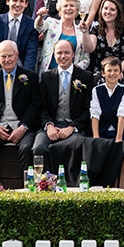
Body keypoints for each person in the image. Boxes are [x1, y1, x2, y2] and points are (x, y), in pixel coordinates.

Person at [0, 39, 42, 187]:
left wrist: (23, 127)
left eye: (10, 55)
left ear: (17, 55)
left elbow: (35, 105)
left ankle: (28, 188)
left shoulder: (30, 77)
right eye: (3, 56)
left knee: (27, 148)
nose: (7, 59)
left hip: (22, 127)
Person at [37, 37, 94, 187]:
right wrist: (49, 125)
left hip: (74, 127)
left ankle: (71, 186)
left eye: (66, 53)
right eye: (59, 53)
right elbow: (41, 107)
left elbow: (88, 109)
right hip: (52, 125)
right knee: (39, 147)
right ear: (54, 55)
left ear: (73, 54)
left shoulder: (86, 77)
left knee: (74, 145)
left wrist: (72, 127)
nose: (63, 56)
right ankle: (46, 186)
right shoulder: (46, 76)